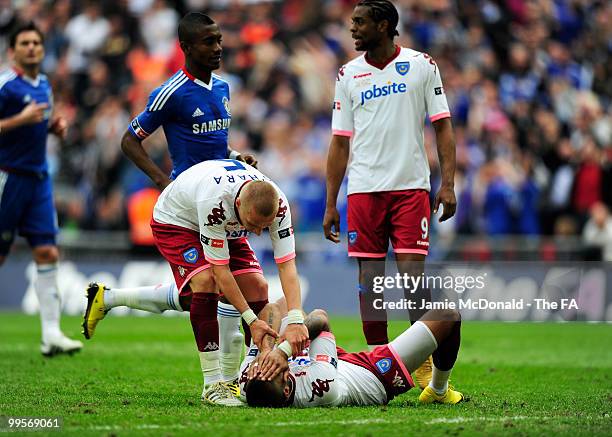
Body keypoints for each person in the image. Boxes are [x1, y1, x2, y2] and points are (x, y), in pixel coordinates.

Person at [83, 12, 260, 393]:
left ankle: (109, 298)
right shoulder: (172, 92)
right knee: (209, 285)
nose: (218, 48)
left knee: (247, 290)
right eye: (209, 42)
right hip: (188, 208)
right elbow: (130, 141)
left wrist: (236, 157)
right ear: (186, 47)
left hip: (224, 202)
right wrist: (163, 182)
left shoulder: (224, 88)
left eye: (219, 40)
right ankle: (218, 383)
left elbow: (214, 145)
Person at [90, 159, 308, 405]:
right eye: (253, 225)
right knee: (205, 282)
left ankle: (108, 298)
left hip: (227, 225)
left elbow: (287, 265)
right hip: (177, 220)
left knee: (256, 288)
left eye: (263, 227)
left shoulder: (279, 205)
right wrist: (251, 320)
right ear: (239, 205)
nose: (257, 233)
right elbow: (221, 273)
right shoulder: (215, 203)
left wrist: (296, 319)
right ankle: (214, 384)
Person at [322, 0, 457, 389]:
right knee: (370, 281)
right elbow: (339, 142)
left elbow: (443, 126)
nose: (353, 30)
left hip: (411, 187)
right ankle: (379, 362)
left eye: (360, 23)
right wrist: (331, 201)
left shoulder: (421, 65)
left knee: (413, 277)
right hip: (363, 191)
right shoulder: (348, 75)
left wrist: (447, 183)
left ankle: (424, 362)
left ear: (384, 26)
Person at [0, 22, 82, 357]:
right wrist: (21, 120)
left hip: (38, 180)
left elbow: (38, 122)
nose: (32, 47)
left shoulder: (44, 84)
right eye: (25, 42)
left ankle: (51, 334)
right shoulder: (6, 85)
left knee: (47, 252)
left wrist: (52, 126)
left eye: (37, 42)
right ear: (13, 50)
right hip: (7, 179)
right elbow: (19, 122)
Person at [241, 302, 463, 408]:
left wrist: (267, 350)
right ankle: (439, 390)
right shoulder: (320, 388)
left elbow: (274, 307)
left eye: (261, 367)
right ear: (288, 388)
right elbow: (321, 317)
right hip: (371, 374)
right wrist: (284, 351)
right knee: (448, 315)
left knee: (288, 311)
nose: (267, 365)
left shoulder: (247, 381)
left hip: (325, 359)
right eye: (276, 369)